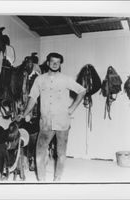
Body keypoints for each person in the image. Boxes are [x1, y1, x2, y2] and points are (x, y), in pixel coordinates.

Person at [18, 52, 86, 181]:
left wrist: (72, 108)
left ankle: (57, 179)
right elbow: (33, 98)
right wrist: (24, 114)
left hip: (62, 122)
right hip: (46, 123)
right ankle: (42, 181)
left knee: (60, 153)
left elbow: (82, 91)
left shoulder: (66, 79)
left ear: (60, 64)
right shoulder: (40, 79)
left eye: (58, 62)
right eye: (52, 61)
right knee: (39, 153)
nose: (55, 64)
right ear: (48, 63)